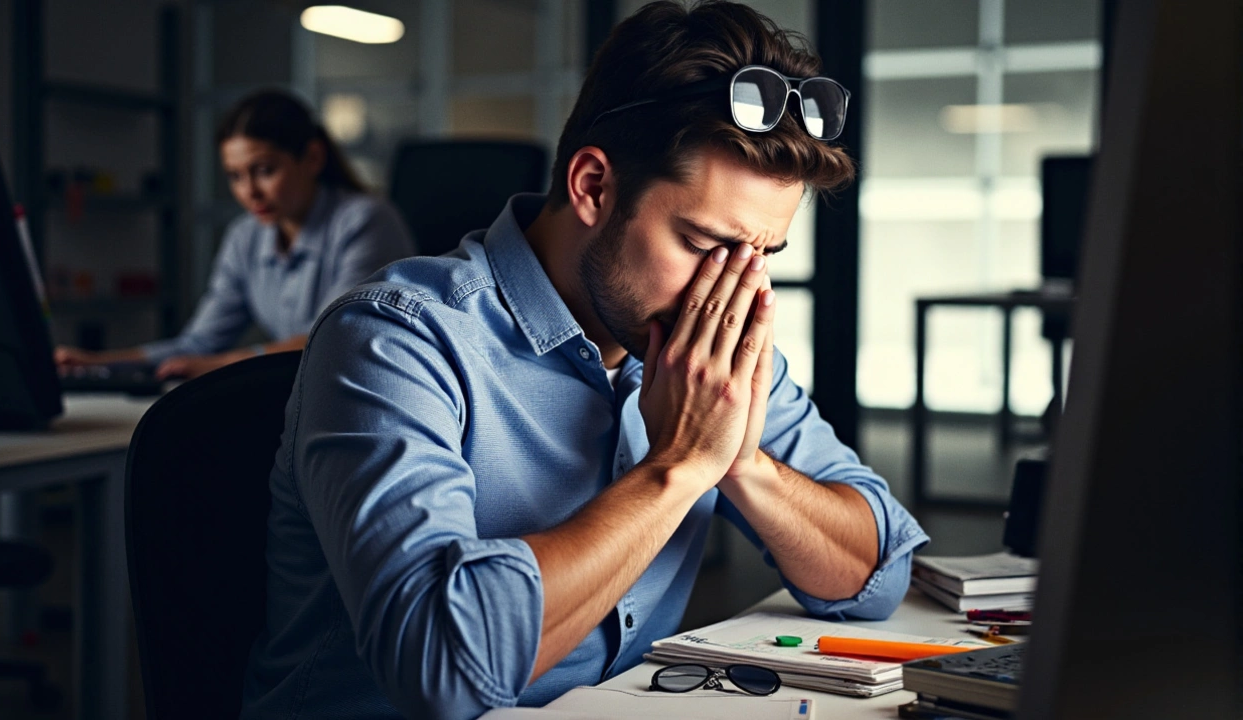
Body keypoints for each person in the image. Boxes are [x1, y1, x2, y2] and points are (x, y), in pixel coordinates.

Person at [240, 3, 928, 719]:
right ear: (594, 187)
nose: (731, 294)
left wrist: (742, 462)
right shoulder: (396, 339)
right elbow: (442, 669)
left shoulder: (702, 353)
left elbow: (879, 574)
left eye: (763, 254)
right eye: (702, 244)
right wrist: (679, 467)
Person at [54, 89, 416, 380]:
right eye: (236, 176)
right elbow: (201, 342)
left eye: (264, 170)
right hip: (302, 397)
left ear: (313, 158)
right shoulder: (246, 236)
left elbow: (334, 341)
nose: (249, 192)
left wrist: (227, 363)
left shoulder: (366, 219)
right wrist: (101, 362)